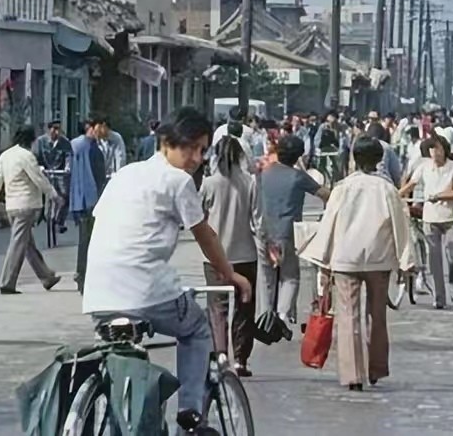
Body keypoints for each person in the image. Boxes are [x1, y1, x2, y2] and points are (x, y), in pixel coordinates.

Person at [82, 107, 252, 433]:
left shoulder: (125, 174)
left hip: (99, 294)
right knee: (197, 328)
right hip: (145, 290)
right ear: (166, 143)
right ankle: (190, 411)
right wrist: (230, 274)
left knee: (123, 366)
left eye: (202, 150)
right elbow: (205, 234)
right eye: (190, 147)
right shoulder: (178, 181)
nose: (197, 158)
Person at [310, 137, 415, 390]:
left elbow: (329, 224)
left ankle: (353, 376)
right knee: (377, 316)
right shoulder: (387, 189)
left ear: (354, 159)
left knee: (348, 316)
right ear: (379, 160)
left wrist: (323, 261)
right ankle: (376, 368)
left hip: (346, 259)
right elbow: (400, 225)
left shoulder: (342, 188)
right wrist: (406, 261)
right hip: (379, 258)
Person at [201, 135, 262, 377]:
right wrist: (268, 244)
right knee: (244, 306)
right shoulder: (250, 182)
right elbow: (258, 220)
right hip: (245, 253)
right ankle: (241, 359)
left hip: (215, 255)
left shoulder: (209, 184)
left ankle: (221, 355)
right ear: (240, 156)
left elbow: (197, 216)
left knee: (217, 308)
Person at [259, 134, 330, 323]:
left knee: (267, 278)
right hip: (287, 232)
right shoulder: (298, 176)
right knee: (290, 276)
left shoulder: (265, 173)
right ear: (298, 156)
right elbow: (325, 194)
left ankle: (265, 317)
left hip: (264, 230)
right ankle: (283, 315)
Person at [0, 126, 62, 295]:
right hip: (25, 205)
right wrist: (54, 195)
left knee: (27, 244)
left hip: (11, 205)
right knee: (18, 244)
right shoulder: (27, 156)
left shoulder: (6, 155)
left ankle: (46, 277)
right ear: (31, 140)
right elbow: (38, 178)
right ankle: (7, 282)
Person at [400, 136, 453, 309]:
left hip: (451, 217)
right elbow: (411, 184)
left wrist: (439, 196)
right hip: (430, 218)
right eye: (432, 150)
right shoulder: (424, 167)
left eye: (438, 149)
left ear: (444, 149)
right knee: (434, 260)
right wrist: (395, 195)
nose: (435, 153)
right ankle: (439, 296)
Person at [71, 119, 107, 293]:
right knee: (89, 241)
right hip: (91, 200)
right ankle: (84, 276)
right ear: (91, 128)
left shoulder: (75, 146)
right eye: (99, 127)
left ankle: (82, 275)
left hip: (80, 200)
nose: (102, 131)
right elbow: (99, 176)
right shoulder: (91, 148)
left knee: (84, 240)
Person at [34, 120, 72, 234]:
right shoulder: (40, 141)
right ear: (48, 129)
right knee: (40, 193)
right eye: (54, 128)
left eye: (58, 129)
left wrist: (67, 167)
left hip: (60, 172)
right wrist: (40, 167)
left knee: (64, 195)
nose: (56, 132)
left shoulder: (65, 142)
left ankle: (60, 221)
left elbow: (68, 156)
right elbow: (35, 156)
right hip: (45, 172)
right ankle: (40, 215)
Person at [366, 122, 403, 186]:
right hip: (384, 180)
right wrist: (398, 184)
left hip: (366, 180)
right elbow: (395, 170)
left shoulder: (364, 145)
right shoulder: (387, 147)